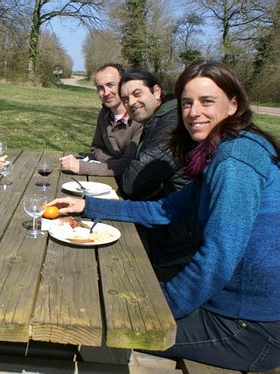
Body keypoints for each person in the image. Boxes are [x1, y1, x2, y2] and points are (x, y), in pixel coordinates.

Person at [48, 61, 280, 371]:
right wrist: (89, 207)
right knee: (110, 291)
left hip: (249, 327)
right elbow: (163, 209)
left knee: (99, 319)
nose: (193, 112)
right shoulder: (224, 150)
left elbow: (217, 260)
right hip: (233, 308)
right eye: (187, 102)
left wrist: (156, 307)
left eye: (206, 101)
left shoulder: (235, 162)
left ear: (233, 104)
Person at [117, 68, 200, 273]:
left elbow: (132, 182)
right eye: (126, 99)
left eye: (137, 94)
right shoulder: (158, 120)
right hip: (164, 228)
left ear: (156, 91)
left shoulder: (172, 122)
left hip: (179, 245)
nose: (132, 102)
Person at [60, 63, 142, 179]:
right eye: (100, 88)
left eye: (110, 85)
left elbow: (127, 165)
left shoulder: (138, 119)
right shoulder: (104, 114)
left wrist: (81, 166)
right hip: (111, 178)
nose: (106, 92)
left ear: (123, 85)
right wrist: (112, 163)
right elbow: (97, 147)